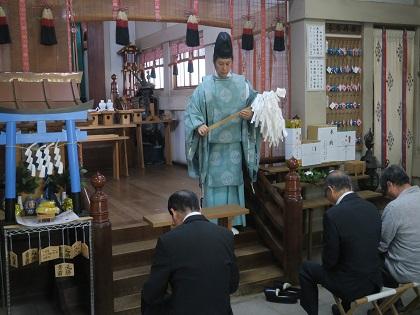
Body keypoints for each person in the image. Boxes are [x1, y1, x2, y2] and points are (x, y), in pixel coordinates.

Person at [184, 31, 261, 228]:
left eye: (228, 64)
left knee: (233, 182)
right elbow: (192, 110)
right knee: (213, 184)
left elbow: (258, 105)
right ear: (214, 62)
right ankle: (211, 221)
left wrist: (251, 114)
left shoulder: (242, 84)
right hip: (213, 146)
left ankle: (233, 222)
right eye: (220, 64)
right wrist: (199, 124)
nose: (224, 68)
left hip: (234, 145)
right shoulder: (205, 86)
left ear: (232, 62)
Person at [141, 190, 239, 315]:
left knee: (148, 295)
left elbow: (153, 292)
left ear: (173, 212)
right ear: (200, 208)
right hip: (221, 310)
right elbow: (233, 284)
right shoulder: (225, 234)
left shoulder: (168, 241)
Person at [299, 171, 382, 315]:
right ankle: (344, 308)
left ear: (330, 190)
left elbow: (329, 261)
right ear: (349, 186)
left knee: (306, 268)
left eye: (325, 191)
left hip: (350, 287)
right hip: (375, 282)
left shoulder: (333, 215)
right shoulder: (371, 208)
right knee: (351, 260)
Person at [379, 165, 420, 286]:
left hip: (407, 272)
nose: (387, 195)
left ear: (390, 185)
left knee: (371, 258)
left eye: (385, 191)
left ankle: (389, 302)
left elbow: (382, 245)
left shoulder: (394, 207)